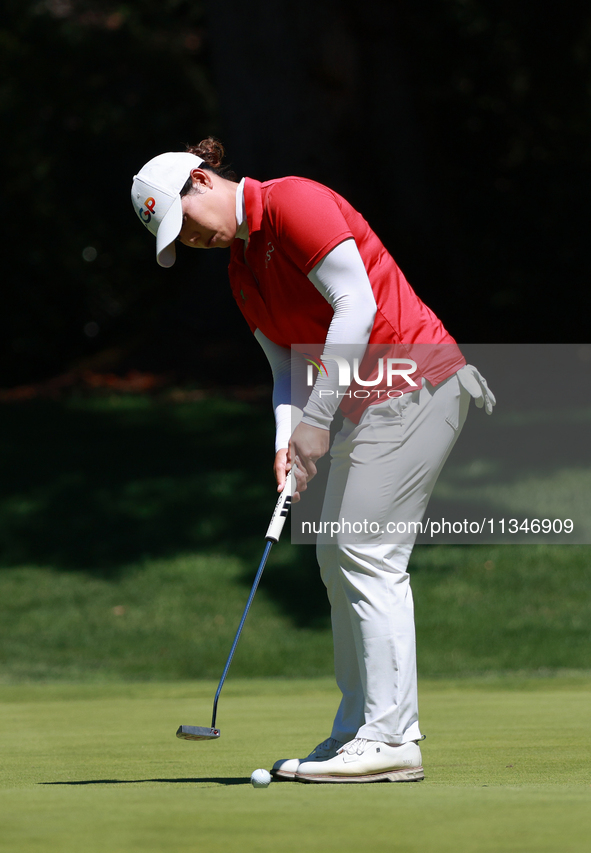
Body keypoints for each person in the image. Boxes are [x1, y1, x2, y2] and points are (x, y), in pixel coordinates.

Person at [131, 138, 495, 784]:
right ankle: (357, 729)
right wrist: (287, 438)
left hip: (419, 380)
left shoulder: (292, 200)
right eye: (177, 238)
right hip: (368, 403)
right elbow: (285, 367)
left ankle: (390, 735)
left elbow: (356, 305)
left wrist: (318, 423)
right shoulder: (241, 268)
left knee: (363, 550)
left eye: (185, 223)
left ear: (201, 182)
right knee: (336, 554)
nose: (191, 239)